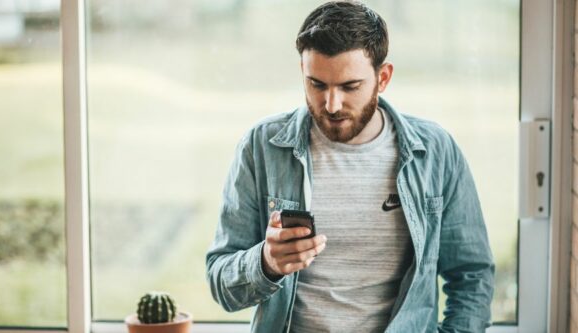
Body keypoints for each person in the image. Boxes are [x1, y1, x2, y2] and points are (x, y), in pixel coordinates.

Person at [206, 1, 495, 332]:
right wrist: (267, 263)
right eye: (317, 84)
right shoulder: (261, 147)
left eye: (349, 86)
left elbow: (472, 275)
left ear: (382, 78)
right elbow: (221, 281)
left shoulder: (435, 151)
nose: (331, 105)